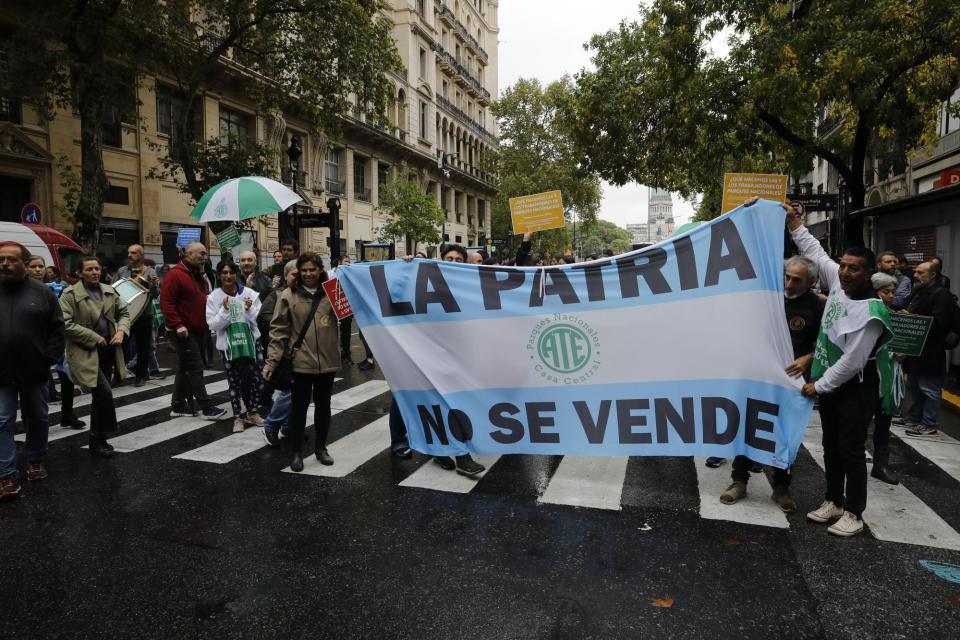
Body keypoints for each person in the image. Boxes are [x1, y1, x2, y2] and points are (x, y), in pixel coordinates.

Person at [781, 199, 892, 537]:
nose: (844, 272)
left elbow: (853, 361)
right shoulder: (837, 286)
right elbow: (813, 251)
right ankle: (834, 499)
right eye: (843, 266)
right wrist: (794, 222)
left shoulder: (872, 310)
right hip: (829, 384)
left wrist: (819, 385)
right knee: (831, 445)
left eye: (854, 268)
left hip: (855, 388)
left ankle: (855, 512)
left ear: (868, 273)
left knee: (851, 449)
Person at [720, 255, 824, 512]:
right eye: (787, 277)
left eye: (796, 280)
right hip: (758, 376)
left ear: (811, 282)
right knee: (747, 426)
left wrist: (808, 359)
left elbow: (827, 342)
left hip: (791, 380)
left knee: (786, 432)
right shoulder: (768, 299)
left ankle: (781, 486)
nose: (789, 284)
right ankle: (739, 481)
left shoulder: (819, 307)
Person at [264, 252, 341, 471]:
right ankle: (296, 452)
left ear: (320, 270)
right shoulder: (288, 295)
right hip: (300, 363)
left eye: (312, 270)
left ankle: (321, 448)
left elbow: (354, 310)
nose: (308, 274)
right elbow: (278, 331)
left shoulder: (333, 292)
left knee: (323, 408)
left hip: (327, 363)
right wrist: (271, 363)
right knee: (298, 409)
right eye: (304, 270)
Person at [0, 242, 65, 497]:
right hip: (1, 371)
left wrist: (48, 358)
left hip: (34, 369)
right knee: (2, 420)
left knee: (36, 417)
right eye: (1, 259)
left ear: (24, 264)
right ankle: (6, 474)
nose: (4, 264)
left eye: (11, 259)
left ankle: (35, 459)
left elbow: (57, 329)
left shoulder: (43, 293)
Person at [60, 256, 131, 458]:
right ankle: (100, 436)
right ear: (79, 273)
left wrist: (121, 331)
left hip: (108, 348)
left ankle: (96, 438)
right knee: (104, 393)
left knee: (100, 397)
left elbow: (124, 313)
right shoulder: (70, 294)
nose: (95, 272)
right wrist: (93, 336)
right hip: (84, 350)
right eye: (89, 269)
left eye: (97, 269)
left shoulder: (108, 290)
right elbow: (65, 323)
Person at [160, 241, 227, 420]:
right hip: (183, 331)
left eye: (205, 254)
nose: (205, 257)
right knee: (196, 367)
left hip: (197, 329)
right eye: (202, 254)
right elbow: (166, 303)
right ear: (189, 254)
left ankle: (178, 405)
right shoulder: (175, 275)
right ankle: (206, 408)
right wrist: (177, 325)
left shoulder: (197, 274)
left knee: (184, 367)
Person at [895, 261, 954, 436]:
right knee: (915, 385)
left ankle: (929, 423)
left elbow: (940, 323)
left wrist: (913, 317)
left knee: (929, 388)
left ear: (933, 275)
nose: (915, 275)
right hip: (916, 351)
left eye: (920, 272)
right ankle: (915, 417)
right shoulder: (919, 290)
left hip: (931, 352)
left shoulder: (941, 295)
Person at [206, 260, 265, 433]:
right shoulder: (213, 297)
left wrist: (248, 309)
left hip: (252, 344)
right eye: (224, 273)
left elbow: (258, 320)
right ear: (219, 275)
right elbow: (213, 325)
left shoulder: (250, 294)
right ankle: (238, 417)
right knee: (234, 382)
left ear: (236, 273)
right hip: (229, 346)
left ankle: (252, 412)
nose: (228, 276)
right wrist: (224, 311)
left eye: (231, 272)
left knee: (258, 379)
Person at [870, 272, 904, 484]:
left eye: (893, 292)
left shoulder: (896, 315)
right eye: (886, 292)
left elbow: (904, 348)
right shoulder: (867, 313)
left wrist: (903, 352)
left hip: (888, 377)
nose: (891, 296)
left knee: (884, 423)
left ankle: (880, 466)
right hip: (867, 376)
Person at [260, 260, 298, 446]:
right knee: (288, 391)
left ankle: (288, 426)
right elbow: (265, 319)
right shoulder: (277, 295)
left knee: (300, 392)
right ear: (285, 276)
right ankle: (271, 425)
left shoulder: (307, 294)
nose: (300, 278)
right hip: (285, 353)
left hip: (304, 354)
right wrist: (285, 320)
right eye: (295, 274)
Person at [116, 244, 159, 387]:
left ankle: (141, 375)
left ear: (141, 255)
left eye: (133, 253)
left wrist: (153, 287)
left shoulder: (150, 272)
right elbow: (114, 289)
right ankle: (118, 375)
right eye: (129, 252)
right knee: (121, 346)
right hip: (125, 316)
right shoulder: (122, 271)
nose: (129, 255)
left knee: (143, 347)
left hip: (144, 315)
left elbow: (155, 295)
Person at [332, 255, 354, 361]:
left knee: (346, 330)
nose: (347, 263)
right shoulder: (331, 273)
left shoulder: (351, 273)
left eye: (349, 261)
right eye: (345, 261)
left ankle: (346, 352)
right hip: (333, 305)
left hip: (346, 306)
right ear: (340, 262)